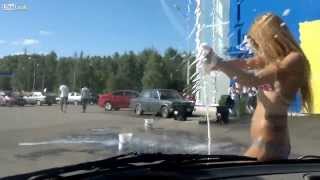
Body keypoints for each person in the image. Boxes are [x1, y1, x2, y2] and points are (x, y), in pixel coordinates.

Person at [201, 13, 313, 161]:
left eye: (259, 42)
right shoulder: (273, 59)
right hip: (266, 141)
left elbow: (251, 79)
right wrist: (215, 64)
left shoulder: (293, 60)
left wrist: (219, 63)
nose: (257, 47)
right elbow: (246, 63)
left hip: (271, 142)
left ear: (272, 38)